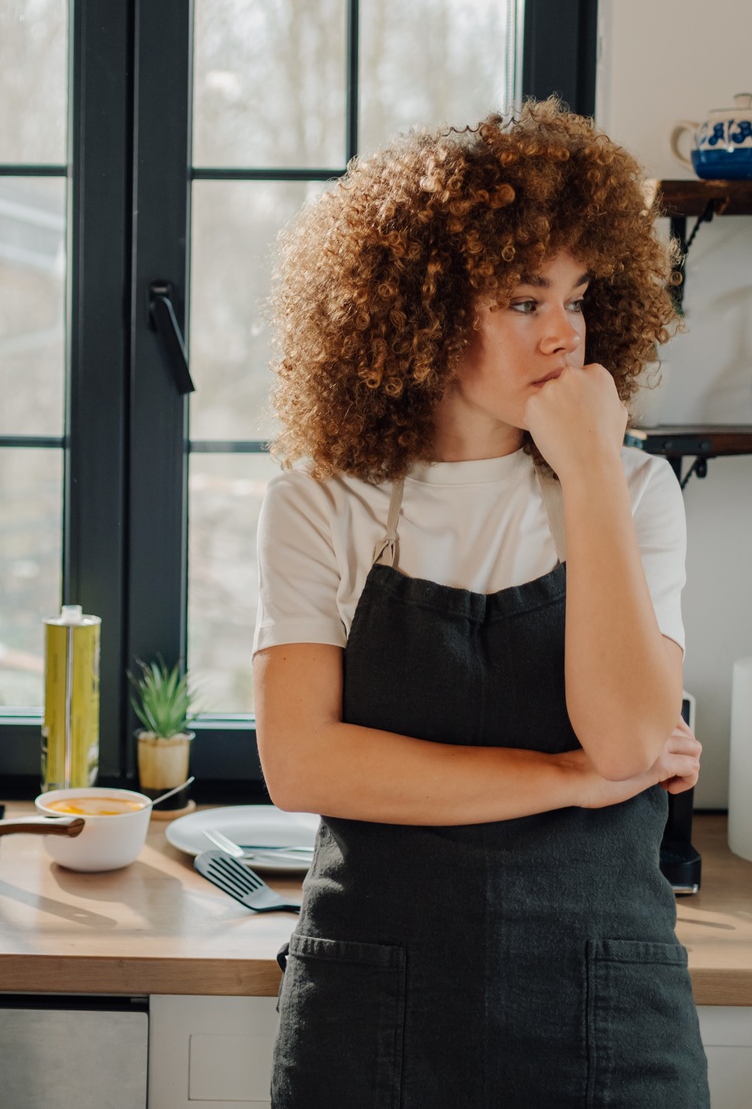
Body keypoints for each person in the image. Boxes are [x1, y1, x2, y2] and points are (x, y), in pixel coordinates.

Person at [254, 100, 709, 1107]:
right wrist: (558, 774)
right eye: (520, 300)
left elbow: (631, 743)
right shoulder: (321, 500)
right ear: (416, 311)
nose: (561, 336)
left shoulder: (633, 492)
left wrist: (588, 463)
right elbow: (301, 762)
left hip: (606, 1002)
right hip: (373, 995)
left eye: (577, 300)